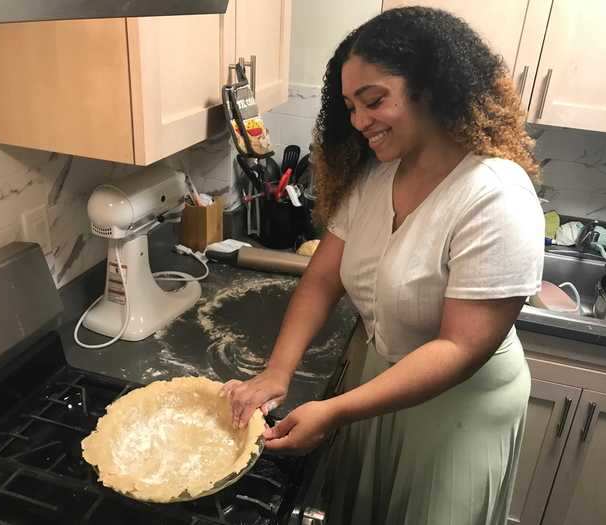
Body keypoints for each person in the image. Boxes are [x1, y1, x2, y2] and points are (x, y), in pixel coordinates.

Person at [220, 6, 545, 524]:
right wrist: (277, 371)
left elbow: (460, 347)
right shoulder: (375, 178)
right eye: (350, 106)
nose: (359, 121)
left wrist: (336, 410)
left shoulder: (495, 195)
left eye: (374, 101)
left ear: (433, 88)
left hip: (458, 412)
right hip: (377, 388)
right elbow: (322, 277)